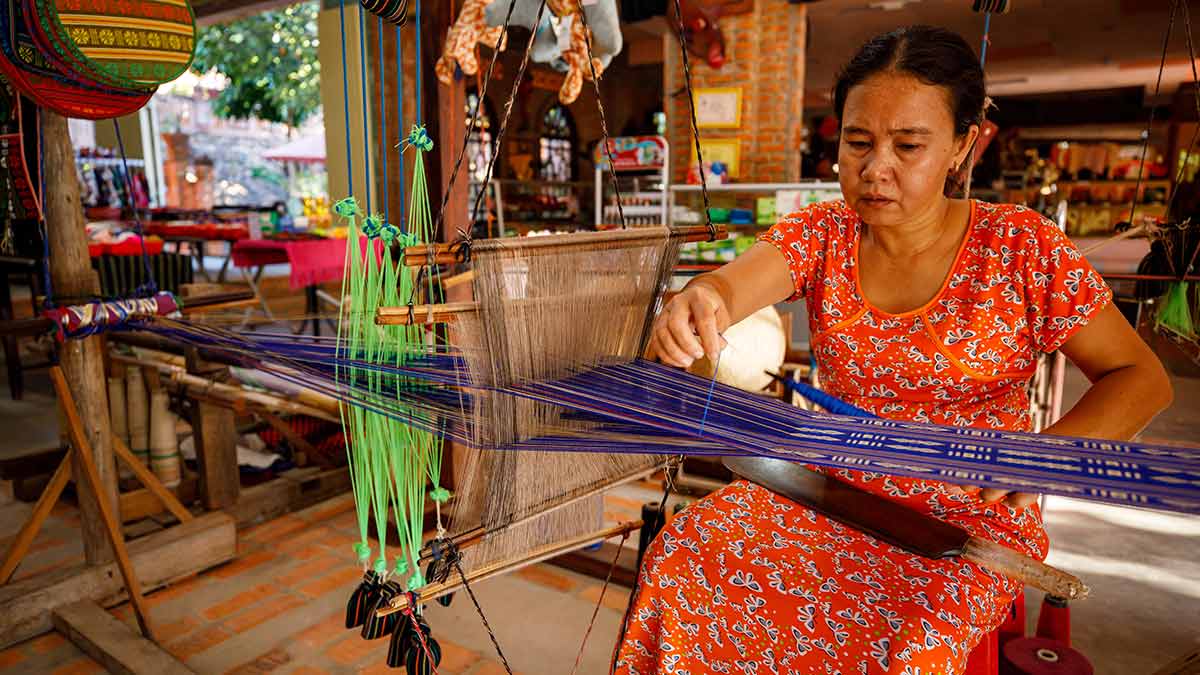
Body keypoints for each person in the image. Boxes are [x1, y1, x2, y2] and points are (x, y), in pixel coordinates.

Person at [615, 25, 1172, 674]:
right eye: (858, 142)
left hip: (967, 507)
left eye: (909, 145)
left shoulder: (1021, 248)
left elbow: (1141, 376)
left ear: (965, 144)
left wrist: (1039, 457)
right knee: (687, 548)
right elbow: (728, 287)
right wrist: (700, 298)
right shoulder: (824, 233)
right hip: (836, 483)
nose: (877, 168)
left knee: (904, 630)